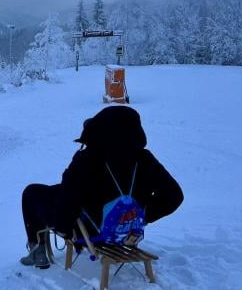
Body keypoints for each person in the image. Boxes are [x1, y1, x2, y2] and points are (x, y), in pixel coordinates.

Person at [19, 105, 183, 269]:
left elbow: (68, 201)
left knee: (32, 193)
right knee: (62, 194)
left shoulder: (88, 159)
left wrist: (66, 231)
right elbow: (174, 195)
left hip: (92, 233)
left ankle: (37, 249)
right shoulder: (145, 159)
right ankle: (40, 246)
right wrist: (142, 215)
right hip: (127, 230)